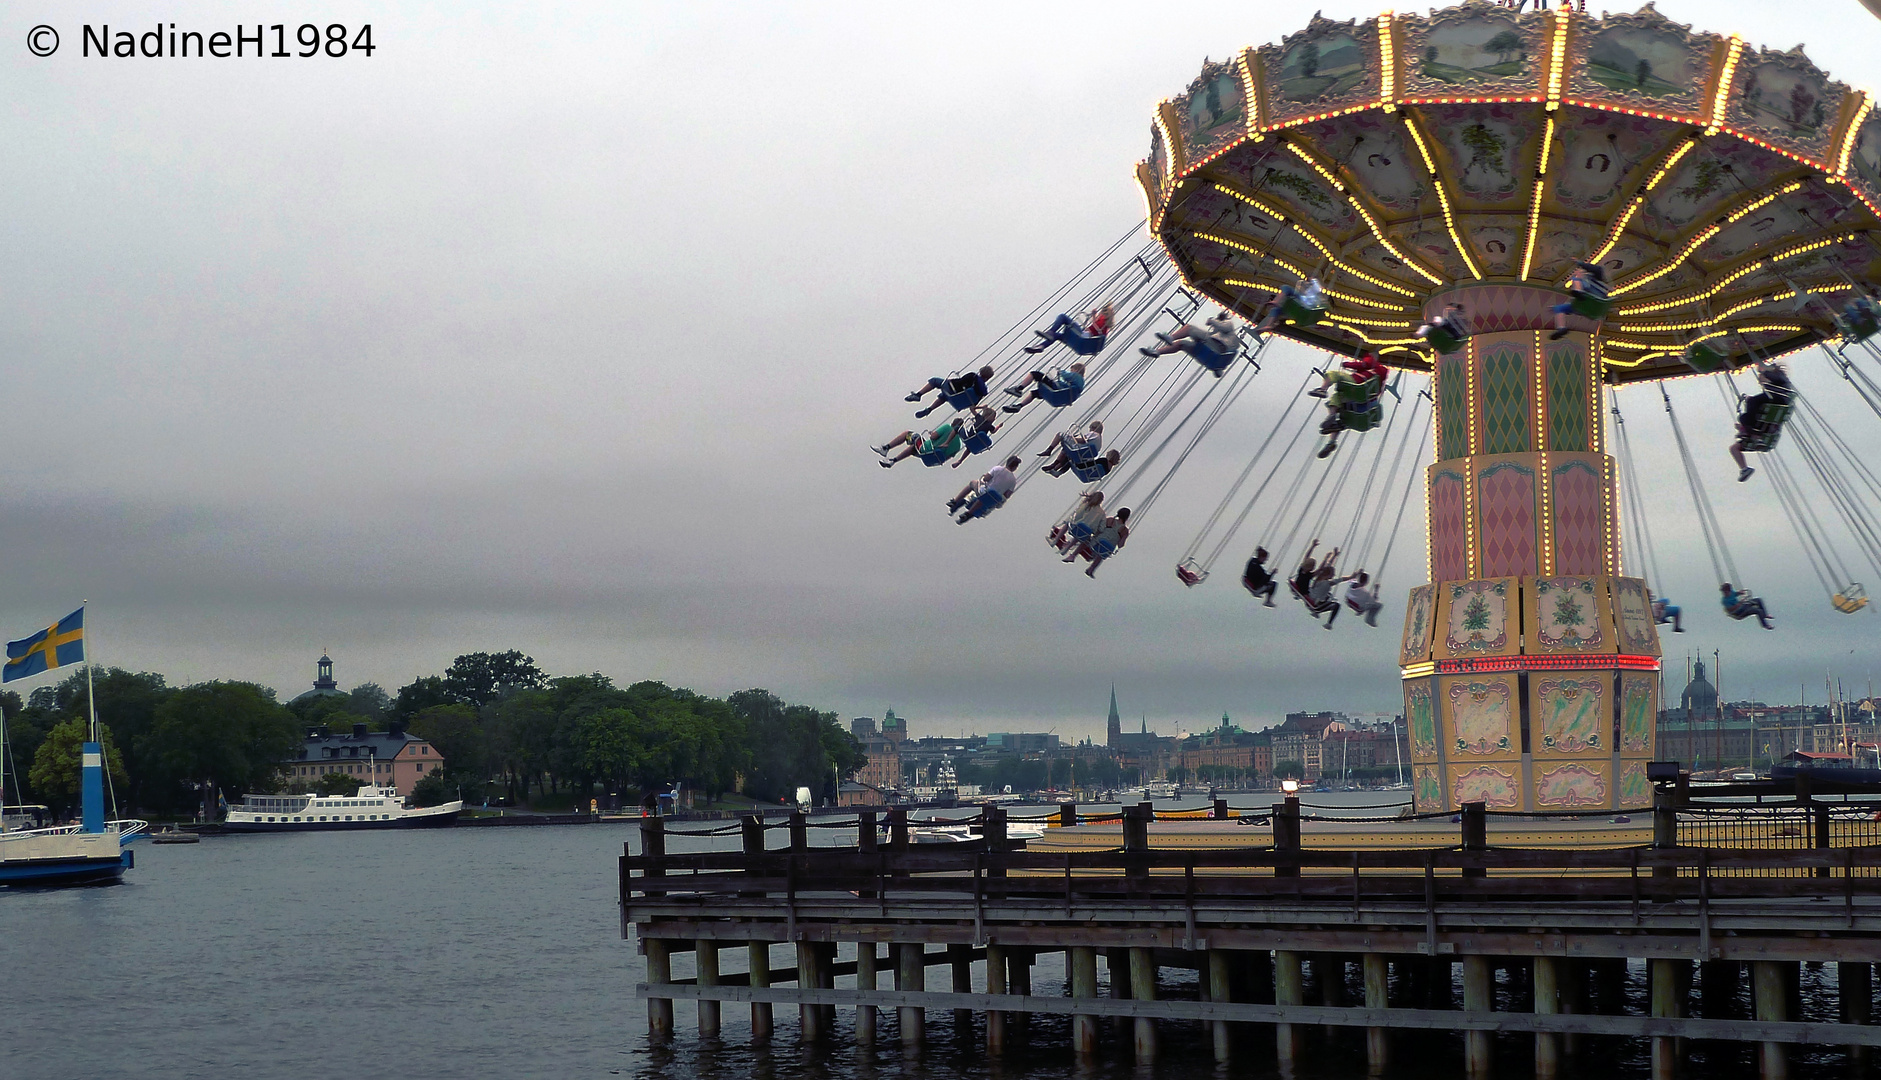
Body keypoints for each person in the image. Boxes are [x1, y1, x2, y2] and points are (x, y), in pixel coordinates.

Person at [1728, 360, 1794, 481]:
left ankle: (1755, 435)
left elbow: (1767, 374)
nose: (1760, 381)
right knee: (1733, 448)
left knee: (1746, 412)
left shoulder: (1776, 378)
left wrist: (1762, 368)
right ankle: (1744, 468)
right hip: (1765, 427)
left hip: (1777, 399)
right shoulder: (1778, 383)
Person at [1140, 310, 1239, 375]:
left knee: (1189, 328)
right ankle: (1157, 352)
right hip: (1209, 351)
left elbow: (1223, 327)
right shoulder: (1219, 333)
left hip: (1216, 346)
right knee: (1182, 344)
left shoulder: (1228, 325)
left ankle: (1171, 337)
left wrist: (1212, 320)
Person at [875, 413, 966, 468]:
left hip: (926, 449)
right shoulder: (958, 445)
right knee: (913, 448)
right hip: (931, 458)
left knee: (908, 434)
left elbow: (933, 437)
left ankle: (886, 448)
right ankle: (892, 461)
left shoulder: (947, 427)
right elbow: (948, 457)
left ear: (953, 423)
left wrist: (933, 433)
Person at [949, 455, 1022, 523]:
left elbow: (986, 479)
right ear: (1015, 467)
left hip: (985, 491)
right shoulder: (1013, 480)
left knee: (973, 483)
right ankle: (967, 514)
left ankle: (955, 501)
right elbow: (1007, 495)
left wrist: (986, 477)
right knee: (984, 500)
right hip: (994, 499)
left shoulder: (998, 468)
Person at [1548, 261, 1609, 340]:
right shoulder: (1585, 280)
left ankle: (1578, 293)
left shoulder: (1595, 278)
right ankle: (1561, 329)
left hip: (1594, 299)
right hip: (1586, 306)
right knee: (1558, 308)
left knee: (1576, 280)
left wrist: (1580, 263)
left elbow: (1596, 269)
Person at [1025, 303, 1115, 355]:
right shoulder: (1106, 327)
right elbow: (1097, 330)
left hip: (1082, 337)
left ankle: (1050, 332)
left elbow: (1096, 325)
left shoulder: (1102, 319)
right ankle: (1041, 346)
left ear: (1104, 312)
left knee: (1063, 317)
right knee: (1057, 336)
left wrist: (1094, 315)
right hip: (1083, 344)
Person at [906, 365, 996, 418]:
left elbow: (960, 382)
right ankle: (929, 409)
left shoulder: (973, 376)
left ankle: (918, 395)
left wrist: (950, 381)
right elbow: (974, 404)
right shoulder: (983, 391)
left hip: (954, 391)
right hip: (959, 402)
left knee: (934, 381)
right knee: (944, 396)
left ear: (981, 372)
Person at [1064, 507, 1130, 577]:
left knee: (1086, 540)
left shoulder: (1110, 520)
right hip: (1106, 549)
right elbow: (1120, 545)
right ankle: (1091, 569)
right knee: (1101, 554)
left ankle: (1073, 555)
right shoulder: (1125, 531)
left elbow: (1100, 529)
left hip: (1096, 543)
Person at [1003, 362, 1088, 412]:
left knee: (1035, 374)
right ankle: (1019, 406)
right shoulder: (1080, 383)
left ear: (1076, 370)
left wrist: (1060, 371)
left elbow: (1064, 375)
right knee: (1036, 393)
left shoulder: (1076, 376)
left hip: (1057, 390)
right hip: (1061, 395)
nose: (1071, 371)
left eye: (1072, 370)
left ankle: (1019, 389)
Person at [1255, 277, 1325, 333]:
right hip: (1297, 307)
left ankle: (1276, 301)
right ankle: (1268, 325)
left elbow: (1318, 288)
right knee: (1275, 310)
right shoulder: (1307, 291)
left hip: (1303, 303)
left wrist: (1313, 279)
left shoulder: (1312, 292)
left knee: (1286, 288)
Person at [1038, 421, 1102, 468]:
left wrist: (1072, 438)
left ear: (1094, 427)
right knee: (1067, 448)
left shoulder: (1094, 434)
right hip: (1084, 455)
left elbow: (1083, 440)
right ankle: (1055, 466)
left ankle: (1049, 450)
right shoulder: (1099, 441)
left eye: (1090, 428)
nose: (1089, 430)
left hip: (1080, 450)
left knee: (1060, 435)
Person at [1049, 448, 1121, 480]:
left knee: (1070, 457)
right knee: (1071, 460)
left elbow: (1092, 463)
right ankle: (1057, 471)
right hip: (1089, 474)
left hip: (1085, 468)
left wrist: (1086, 459)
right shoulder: (1109, 469)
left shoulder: (1104, 461)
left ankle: (1056, 469)